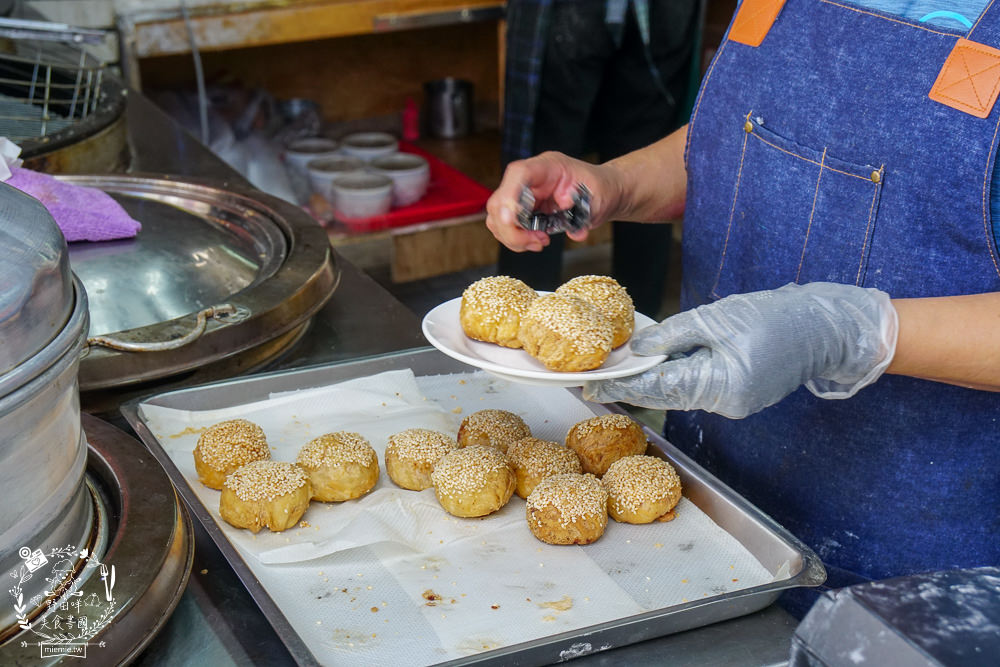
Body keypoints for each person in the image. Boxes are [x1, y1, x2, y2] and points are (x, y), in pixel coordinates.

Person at [486, 0, 1000, 615]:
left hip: (910, 558)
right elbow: (737, 139)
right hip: (701, 497)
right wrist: (616, 184)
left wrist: (852, 333)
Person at [499, 0, 700, 317]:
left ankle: (636, 338)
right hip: (570, 17)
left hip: (658, 16)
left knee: (651, 153)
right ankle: (520, 326)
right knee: (537, 186)